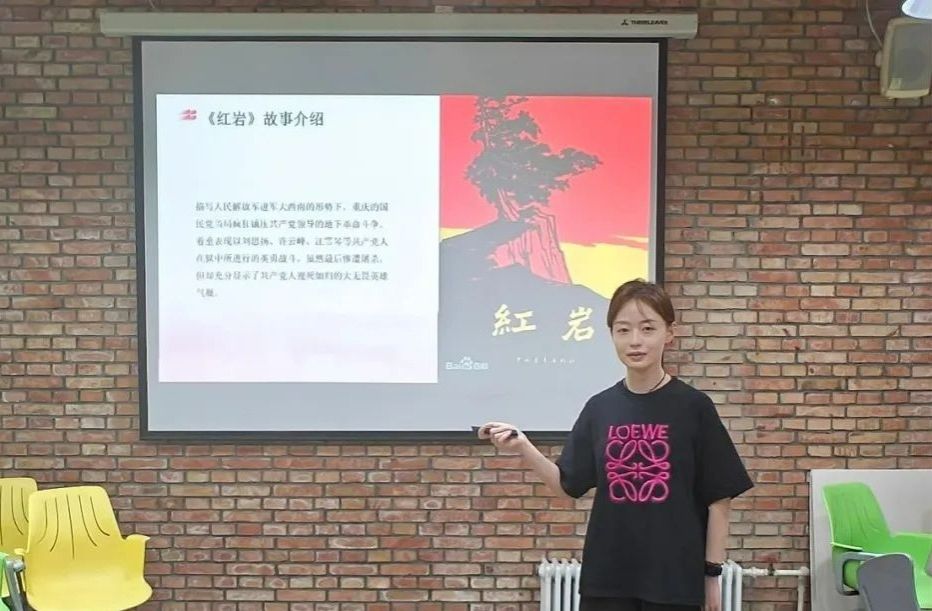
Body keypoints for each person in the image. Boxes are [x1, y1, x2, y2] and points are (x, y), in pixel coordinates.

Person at [478, 279, 754, 611]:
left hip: (674, 581)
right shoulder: (600, 408)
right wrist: (524, 446)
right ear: (612, 335)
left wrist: (711, 576)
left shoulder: (694, 407)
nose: (635, 340)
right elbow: (567, 487)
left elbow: (719, 499)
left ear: (670, 332)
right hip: (607, 580)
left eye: (647, 328)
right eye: (623, 330)